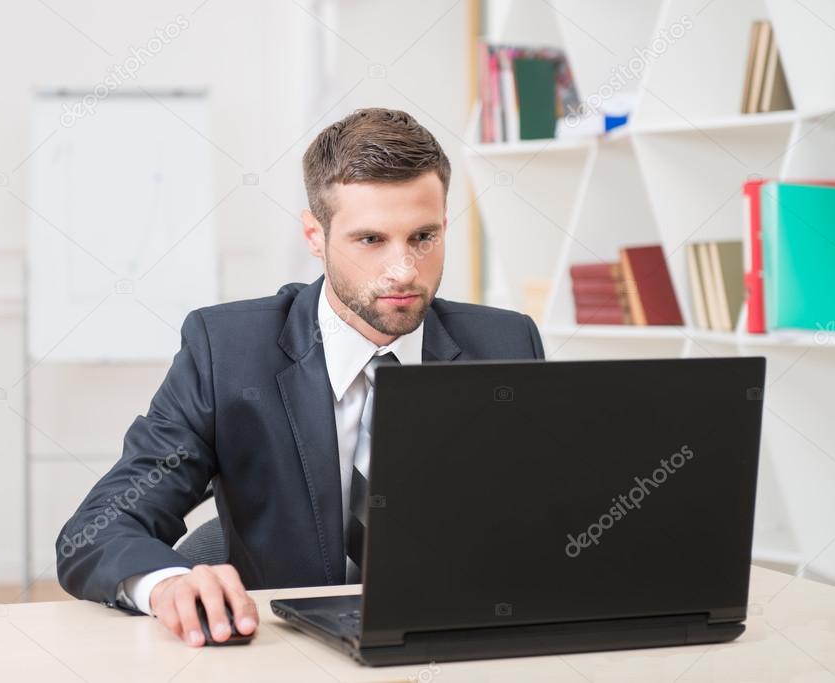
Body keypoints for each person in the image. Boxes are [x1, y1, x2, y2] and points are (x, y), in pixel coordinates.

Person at [56, 107, 544, 647]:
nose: (403, 269)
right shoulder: (229, 351)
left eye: (423, 236)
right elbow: (96, 530)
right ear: (315, 235)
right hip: (283, 650)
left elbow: (545, 522)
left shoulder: (506, 346)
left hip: (455, 644)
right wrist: (168, 584)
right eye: (371, 240)